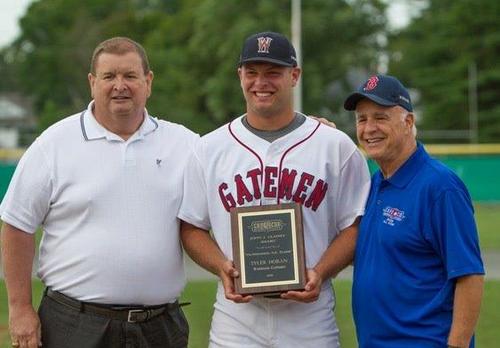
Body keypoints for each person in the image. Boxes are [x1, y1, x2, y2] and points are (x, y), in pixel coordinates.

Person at [0, 37, 197, 348]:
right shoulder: (53, 145)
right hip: (74, 325)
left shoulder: (185, 145)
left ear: (148, 82)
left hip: (160, 328)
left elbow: (231, 177)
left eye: (130, 76)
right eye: (109, 76)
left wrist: (303, 133)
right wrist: (20, 308)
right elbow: (17, 226)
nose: (120, 85)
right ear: (93, 83)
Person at [177, 31, 371, 347]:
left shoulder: (335, 146)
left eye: (273, 73)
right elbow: (191, 227)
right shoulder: (209, 148)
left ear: (294, 75)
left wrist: (320, 272)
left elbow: (355, 226)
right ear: (239, 75)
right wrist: (221, 267)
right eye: (251, 72)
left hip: (310, 322)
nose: (260, 82)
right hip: (236, 323)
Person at [344, 75, 485, 348]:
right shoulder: (375, 182)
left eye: (380, 117)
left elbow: (469, 276)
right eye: (362, 119)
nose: (369, 128)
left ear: (408, 122)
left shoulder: (440, 186)